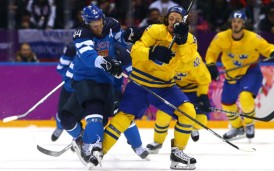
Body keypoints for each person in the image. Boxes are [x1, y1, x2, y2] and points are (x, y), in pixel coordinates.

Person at [103, 6, 198, 170]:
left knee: (188, 111)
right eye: (171, 17)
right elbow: (135, 50)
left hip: (165, 86)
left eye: (178, 19)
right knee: (124, 117)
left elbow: (187, 65)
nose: (174, 21)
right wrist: (152, 52)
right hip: (141, 83)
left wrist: (181, 43)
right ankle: (99, 152)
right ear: (167, 19)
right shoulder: (154, 30)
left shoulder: (189, 39)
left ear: (183, 21)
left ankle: (177, 154)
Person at [60, 4, 147, 168]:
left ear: (103, 18)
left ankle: (135, 146)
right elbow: (88, 56)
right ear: (86, 23)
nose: (98, 27)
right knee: (66, 118)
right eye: (94, 25)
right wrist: (105, 62)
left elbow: (120, 41)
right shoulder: (81, 34)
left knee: (117, 111)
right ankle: (83, 139)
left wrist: (130, 36)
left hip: (108, 81)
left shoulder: (112, 24)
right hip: (86, 79)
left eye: (100, 22)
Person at [205, 10, 274, 140]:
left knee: (245, 97)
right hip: (231, 74)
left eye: (239, 22)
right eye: (234, 22)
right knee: (226, 103)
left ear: (244, 24)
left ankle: (249, 124)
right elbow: (211, 53)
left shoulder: (253, 38)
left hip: (250, 71)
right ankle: (237, 127)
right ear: (230, 23)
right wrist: (211, 65)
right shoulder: (221, 37)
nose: (236, 24)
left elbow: (267, 48)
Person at [146, 52, 212, 154]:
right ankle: (157, 142)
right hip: (174, 90)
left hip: (193, 91)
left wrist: (202, 96)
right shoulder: (167, 55)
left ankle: (193, 128)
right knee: (162, 116)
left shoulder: (194, 59)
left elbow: (204, 80)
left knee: (201, 121)